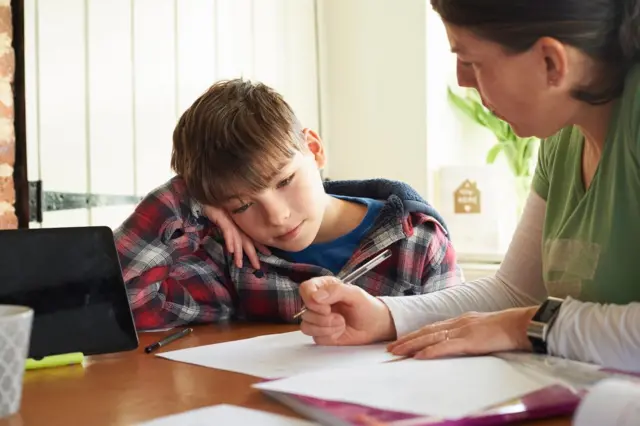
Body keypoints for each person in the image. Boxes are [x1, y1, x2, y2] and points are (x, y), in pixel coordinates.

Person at [290, 0, 640, 373]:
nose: (462, 79)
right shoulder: (562, 137)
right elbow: (514, 292)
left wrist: (524, 326)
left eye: (472, 60)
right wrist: (385, 316)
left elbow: (517, 313)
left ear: (551, 63)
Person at [114, 79, 462, 331]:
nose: (277, 216)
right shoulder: (233, 259)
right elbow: (124, 302)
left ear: (314, 148)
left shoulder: (418, 243)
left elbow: (455, 340)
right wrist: (187, 197)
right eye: (242, 206)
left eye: (284, 181)